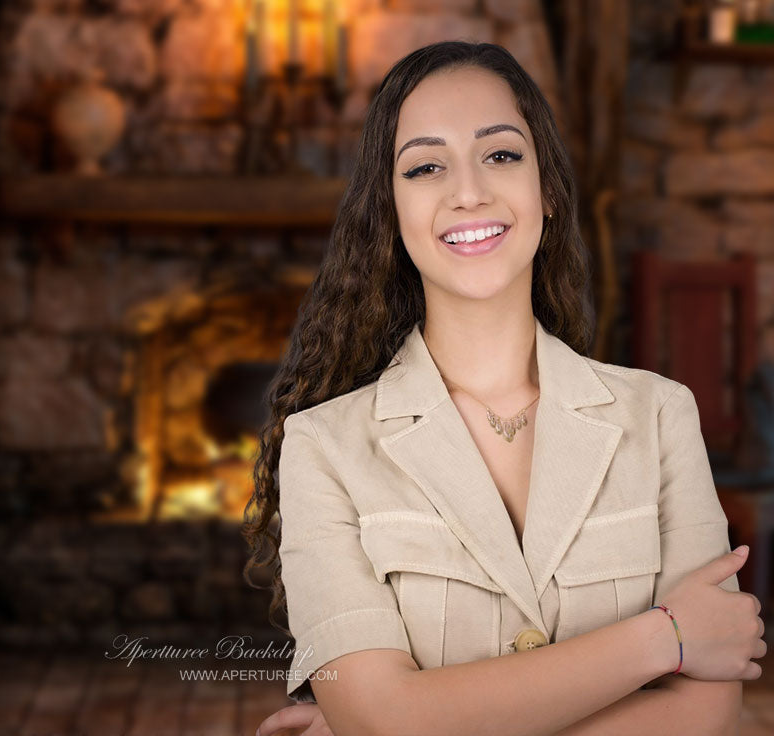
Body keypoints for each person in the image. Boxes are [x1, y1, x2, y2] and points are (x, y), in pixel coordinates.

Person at [244, 41, 766, 736]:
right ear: (390, 212)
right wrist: (664, 637)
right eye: (426, 167)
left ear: (546, 190)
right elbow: (380, 718)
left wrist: (410, 721)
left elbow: (707, 715)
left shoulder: (661, 415)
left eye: (500, 154)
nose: (469, 192)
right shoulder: (322, 447)